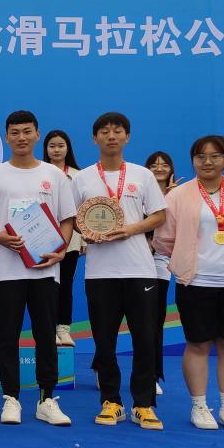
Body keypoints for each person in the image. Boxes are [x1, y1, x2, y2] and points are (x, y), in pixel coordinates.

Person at [152, 136, 224, 432]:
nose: (207, 162)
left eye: (215, 156)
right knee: (198, 344)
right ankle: (200, 406)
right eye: (200, 156)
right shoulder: (178, 196)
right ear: (192, 160)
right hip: (196, 282)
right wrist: (188, 262)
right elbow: (163, 240)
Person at [0, 110, 76, 426]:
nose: (21, 137)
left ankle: (47, 399)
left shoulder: (54, 175)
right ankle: (11, 398)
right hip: (7, 270)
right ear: (6, 137)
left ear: (37, 134)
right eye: (15, 132)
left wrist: (60, 250)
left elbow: (67, 219)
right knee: (7, 335)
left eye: (27, 131)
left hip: (45, 269)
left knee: (46, 334)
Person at [73, 112, 167, 430]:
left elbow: (159, 215)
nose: (111, 136)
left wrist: (130, 229)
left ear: (127, 137)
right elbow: (74, 217)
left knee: (145, 339)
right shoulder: (83, 178)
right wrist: (86, 231)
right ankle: (111, 401)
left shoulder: (142, 175)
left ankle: (143, 404)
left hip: (140, 270)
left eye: (117, 131)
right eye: (104, 131)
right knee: (104, 342)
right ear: (94, 138)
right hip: (100, 272)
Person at [43, 129, 83, 348]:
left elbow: (84, 210)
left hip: (72, 241)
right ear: (46, 149)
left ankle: (64, 329)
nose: (56, 150)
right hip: (42, 240)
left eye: (60, 145)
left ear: (68, 148)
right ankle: (48, 329)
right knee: (47, 287)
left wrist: (84, 240)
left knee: (66, 285)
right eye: (52, 146)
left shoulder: (79, 176)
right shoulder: (39, 172)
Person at [145, 150, 179, 394]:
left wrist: (170, 197)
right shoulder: (139, 191)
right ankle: (101, 368)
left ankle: (153, 375)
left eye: (164, 164)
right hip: (135, 260)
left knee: (155, 320)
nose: (159, 168)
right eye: (154, 165)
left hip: (161, 261)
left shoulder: (178, 196)